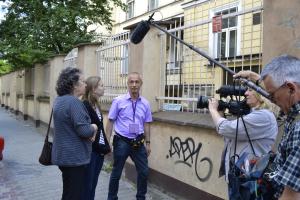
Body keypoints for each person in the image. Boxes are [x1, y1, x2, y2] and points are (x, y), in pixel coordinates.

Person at [234, 54, 300, 200]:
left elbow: (291, 196)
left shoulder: (298, 129)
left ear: (291, 88)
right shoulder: (293, 114)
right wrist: (253, 76)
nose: (271, 100)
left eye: (271, 95)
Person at [208, 88, 278, 198]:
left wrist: (213, 110)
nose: (246, 93)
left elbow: (226, 129)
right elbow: (230, 135)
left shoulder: (263, 116)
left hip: (250, 178)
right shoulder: (251, 115)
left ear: (262, 95)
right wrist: (221, 111)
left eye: (250, 90)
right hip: (239, 175)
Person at [51, 67, 97, 200]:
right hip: (74, 158)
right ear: (74, 85)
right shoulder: (74, 103)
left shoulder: (59, 100)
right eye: (83, 81)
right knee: (73, 195)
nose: (86, 84)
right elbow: (84, 131)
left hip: (63, 156)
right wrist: (93, 127)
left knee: (69, 192)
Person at [106, 72, 152, 200]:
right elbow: (110, 121)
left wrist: (148, 143)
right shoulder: (118, 101)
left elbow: (147, 123)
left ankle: (140, 197)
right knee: (116, 172)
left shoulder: (145, 103)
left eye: (137, 82)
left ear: (140, 84)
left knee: (144, 172)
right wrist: (107, 141)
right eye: (131, 82)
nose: (134, 85)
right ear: (127, 84)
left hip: (138, 142)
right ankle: (112, 197)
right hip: (122, 141)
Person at [82, 76, 111, 200]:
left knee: (93, 184)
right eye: (101, 85)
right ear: (93, 89)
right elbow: (84, 128)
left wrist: (106, 145)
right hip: (90, 151)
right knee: (87, 185)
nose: (104, 88)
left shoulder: (96, 105)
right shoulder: (85, 105)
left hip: (98, 150)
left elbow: (100, 128)